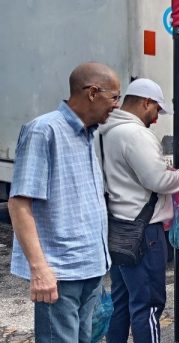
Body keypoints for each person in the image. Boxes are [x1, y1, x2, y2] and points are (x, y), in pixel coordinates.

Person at [7, 62, 119, 342]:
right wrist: (39, 269)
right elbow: (19, 203)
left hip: (90, 266)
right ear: (93, 92)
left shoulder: (88, 133)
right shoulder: (43, 131)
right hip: (60, 273)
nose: (116, 105)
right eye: (114, 97)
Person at [98, 78, 179, 343]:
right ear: (146, 103)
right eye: (156, 110)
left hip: (118, 226)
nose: (155, 118)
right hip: (144, 232)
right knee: (148, 305)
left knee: (123, 303)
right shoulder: (136, 134)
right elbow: (158, 181)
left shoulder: (105, 131)